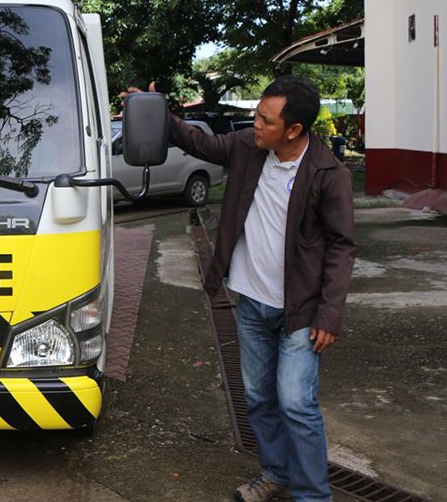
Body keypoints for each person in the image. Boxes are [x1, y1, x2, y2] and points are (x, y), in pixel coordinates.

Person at [123, 76, 355, 502]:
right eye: (257, 115)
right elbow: (198, 142)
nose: (255, 125)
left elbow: (341, 246)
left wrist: (330, 313)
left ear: (294, 130)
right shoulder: (248, 148)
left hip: (300, 311)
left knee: (296, 405)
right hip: (250, 301)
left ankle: (312, 496)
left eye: (266, 120)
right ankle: (275, 473)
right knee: (258, 399)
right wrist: (154, 109)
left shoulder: (328, 173)